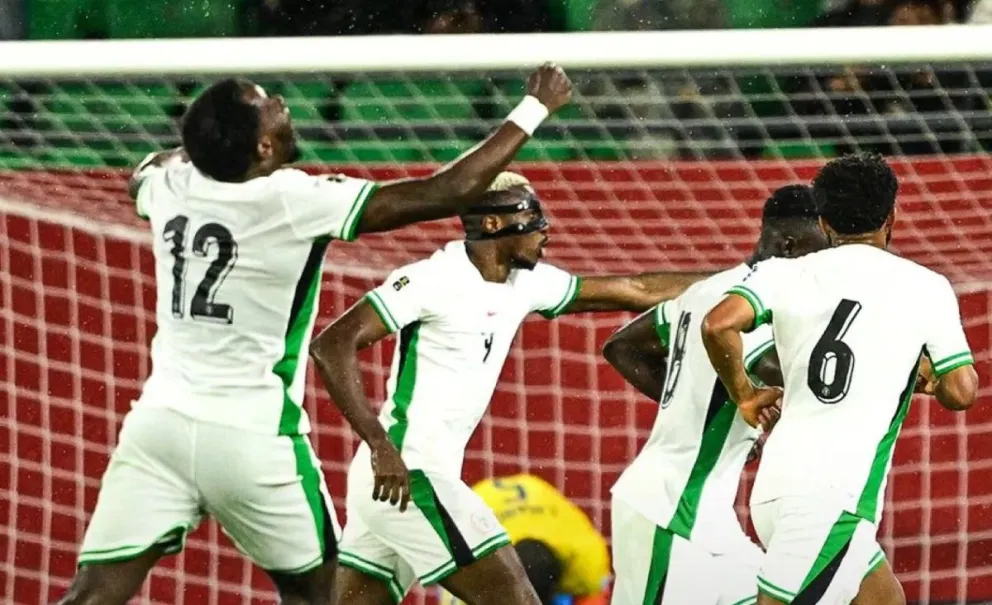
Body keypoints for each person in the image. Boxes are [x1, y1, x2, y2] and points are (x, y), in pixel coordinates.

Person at [56, 64, 573, 605]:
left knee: (91, 596)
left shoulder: (169, 185)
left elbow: (145, 171)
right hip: (251, 435)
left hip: (158, 426)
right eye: (268, 103)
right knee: (322, 597)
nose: (282, 99)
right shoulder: (293, 201)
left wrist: (185, 154)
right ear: (261, 147)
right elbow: (447, 192)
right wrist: (534, 107)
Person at [308, 172, 710, 605]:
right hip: (409, 474)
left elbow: (636, 290)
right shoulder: (433, 279)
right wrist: (378, 444)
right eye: (532, 215)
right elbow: (331, 344)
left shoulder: (526, 283)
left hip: (401, 483)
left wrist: (743, 278)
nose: (545, 228)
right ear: (495, 225)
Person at [700, 153, 979, 605]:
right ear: (892, 216)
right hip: (833, 501)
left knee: (883, 599)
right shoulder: (925, 286)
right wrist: (923, 375)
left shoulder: (781, 273)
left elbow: (717, 325)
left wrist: (745, 394)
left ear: (824, 220)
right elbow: (962, 392)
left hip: (776, 490)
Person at [602, 185, 828, 605]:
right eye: (823, 249)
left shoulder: (709, 290)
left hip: (703, 517)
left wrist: (709, 408)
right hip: (670, 510)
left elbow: (622, 347)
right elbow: (786, 374)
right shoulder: (765, 305)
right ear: (788, 245)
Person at [437, 474, 610, 605]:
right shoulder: (468, 567)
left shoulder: (586, 556)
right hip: (478, 511)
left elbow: (592, 597)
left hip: (535, 497)